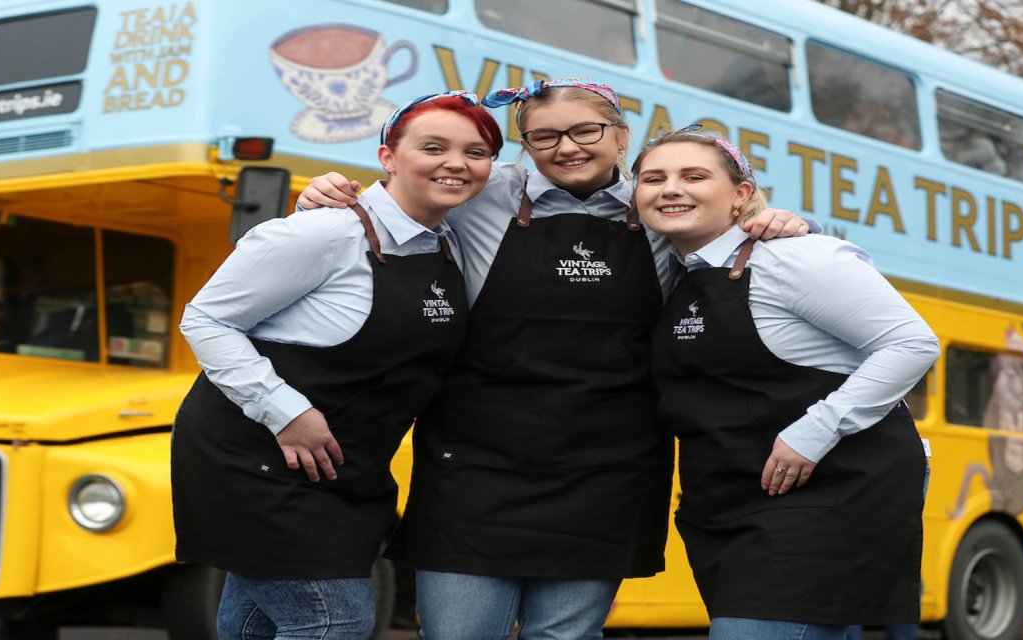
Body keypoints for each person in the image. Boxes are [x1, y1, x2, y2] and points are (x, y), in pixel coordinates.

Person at [296, 79, 810, 640]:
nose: (567, 148)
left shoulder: (661, 204)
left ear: (620, 136)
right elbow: (399, 204)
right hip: (474, 467)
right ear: (525, 145)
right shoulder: (481, 192)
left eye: (586, 131)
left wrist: (783, 224)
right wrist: (324, 194)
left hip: (607, 472)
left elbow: (750, 244)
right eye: (544, 137)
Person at [171, 91, 502, 640]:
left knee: (251, 627)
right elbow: (205, 321)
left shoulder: (451, 243)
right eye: (434, 147)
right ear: (388, 157)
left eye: (477, 152)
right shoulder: (320, 232)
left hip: (349, 470)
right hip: (257, 460)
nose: (457, 163)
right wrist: (286, 411)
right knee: (334, 621)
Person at [634, 125, 939, 640]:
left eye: (694, 175)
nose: (670, 188)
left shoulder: (799, 256)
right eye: (652, 178)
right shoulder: (671, 271)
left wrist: (814, 430)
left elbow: (912, 344)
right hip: (728, 500)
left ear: (742, 195)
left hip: (832, 489)